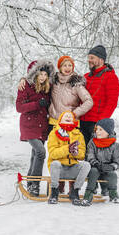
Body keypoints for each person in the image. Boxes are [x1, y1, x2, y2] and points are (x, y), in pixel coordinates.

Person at [18, 55, 93, 193]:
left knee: (71, 153)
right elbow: (37, 77)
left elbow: (89, 101)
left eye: (70, 65)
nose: (67, 68)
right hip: (53, 123)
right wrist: (23, 79)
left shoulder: (76, 84)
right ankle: (56, 185)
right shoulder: (53, 81)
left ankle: (72, 187)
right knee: (54, 153)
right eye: (64, 65)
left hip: (70, 124)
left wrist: (74, 113)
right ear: (59, 67)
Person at [80, 45, 119, 196]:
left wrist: (101, 123)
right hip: (83, 122)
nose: (89, 60)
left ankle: (105, 187)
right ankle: (93, 184)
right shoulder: (86, 77)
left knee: (100, 155)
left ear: (101, 60)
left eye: (92, 57)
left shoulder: (110, 77)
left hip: (98, 124)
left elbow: (112, 101)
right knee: (86, 155)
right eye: (89, 57)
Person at [16, 59, 55, 197]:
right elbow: (19, 107)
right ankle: (35, 185)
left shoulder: (48, 87)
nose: (43, 77)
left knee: (35, 155)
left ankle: (31, 181)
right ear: (34, 74)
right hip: (29, 125)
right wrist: (37, 104)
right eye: (40, 74)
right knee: (40, 152)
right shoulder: (25, 86)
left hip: (43, 126)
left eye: (45, 74)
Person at [47, 111, 91, 205]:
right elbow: (52, 154)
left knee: (86, 165)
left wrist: (76, 153)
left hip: (72, 168)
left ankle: (74, 192)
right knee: (54, 163)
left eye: (70, 116)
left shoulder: (78, 134)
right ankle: (54, 193)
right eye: (65, 115)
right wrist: (67, 149)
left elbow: (82, 155)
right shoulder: (54, 133)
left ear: (73, 121)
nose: (68, 116)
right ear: (60, 119)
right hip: (59, 170)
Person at [81, 118, 119, 206]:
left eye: (101, 129)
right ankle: (88, 195)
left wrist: (111, 167)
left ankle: (113, 194)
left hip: (107, 168)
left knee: (112, 174)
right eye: (96, 129)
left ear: (108, 131)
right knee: (94, 171)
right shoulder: (92, 142)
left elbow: (117, 162)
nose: (97, 132)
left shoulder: (115, 145)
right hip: (95, 167)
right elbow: (90, 156)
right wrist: (96, 164)